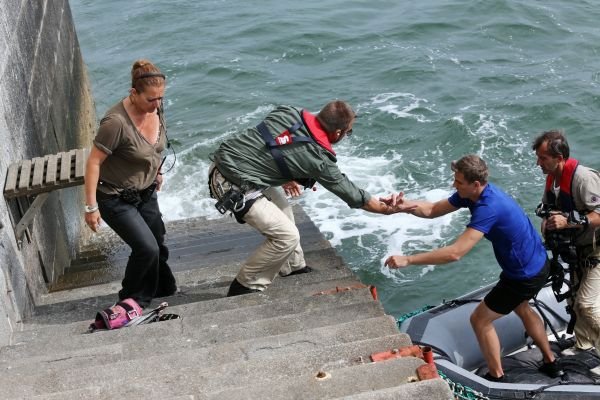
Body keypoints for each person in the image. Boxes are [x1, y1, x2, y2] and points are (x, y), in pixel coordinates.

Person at [384, 154, 563, 381]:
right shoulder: (472, 195)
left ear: (475, 184)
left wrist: (408, 260)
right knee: (522, 307)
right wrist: (405, 207)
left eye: (458, 182)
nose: (454, 185)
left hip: (524, 274)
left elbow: (455, 253)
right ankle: (551, 362)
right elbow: (432, 210)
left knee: (480, 319)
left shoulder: (489, 207)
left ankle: (498, 378)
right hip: (535, 262)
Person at [209, 100, 413, 296]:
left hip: (226, 164)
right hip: (231, 186)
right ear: (338, 132)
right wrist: (387, 208)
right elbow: (353, 195)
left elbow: (269, 143)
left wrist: (284, 172)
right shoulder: (318, 159)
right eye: (348, 132)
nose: (346, 135)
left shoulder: (288, 112)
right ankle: (244, 287)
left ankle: (293, 267)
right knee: (287, 236)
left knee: (284, 211)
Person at [84, 59, 177, 309]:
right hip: (114, 197)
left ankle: (161, 286)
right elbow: (93, 163)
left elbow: (155, 147)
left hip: (145, 191)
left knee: (158, 242)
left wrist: (156, 171)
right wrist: (91, 208)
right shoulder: (115, 123)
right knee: (146, 248)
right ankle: (132, 299)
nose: (157, 105)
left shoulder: (155, 109)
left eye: (160, 99)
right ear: (133, 93)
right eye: (151, 99)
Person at [532, 130, 600, 355]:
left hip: (596, 251)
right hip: (578, 251)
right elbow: (548, 209)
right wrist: (547, 223)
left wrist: (569, 221)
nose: (538, 163)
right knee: (573, 302)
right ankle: (584, 345)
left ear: (559, 158)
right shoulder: (552, 179)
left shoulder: (584, 179)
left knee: (587, 305)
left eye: (543, 158)